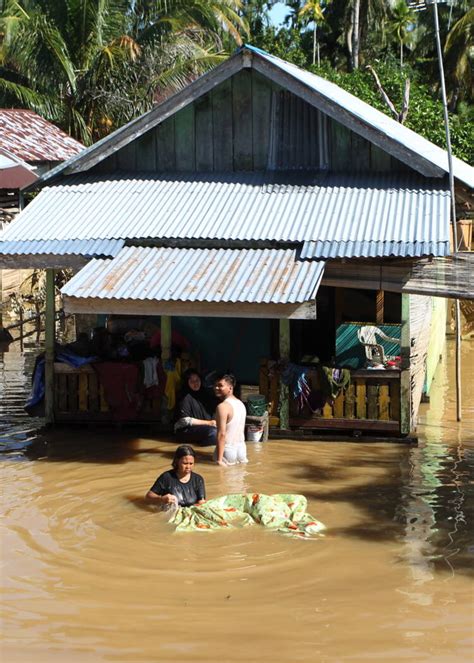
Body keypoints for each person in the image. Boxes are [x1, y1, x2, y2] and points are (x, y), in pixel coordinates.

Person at [174, 369, 217, 445]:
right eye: (192, 381)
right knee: (214, 433)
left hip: (205, 428)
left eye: (197, 380)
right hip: (185, 430)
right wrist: (209, 423)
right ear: (187, 383)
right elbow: (184, 420)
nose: (195, 383)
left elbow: (213, 412)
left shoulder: (205, 394)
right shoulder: (184, 396)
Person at [214, 373, 248, 466]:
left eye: (220, 385)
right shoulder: (241, 404)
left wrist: (219, 460)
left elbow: (222, 434)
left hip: (228, 449)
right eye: (215, 385)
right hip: (241, 449)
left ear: (230, 388)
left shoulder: (222, 407)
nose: (216, 388)